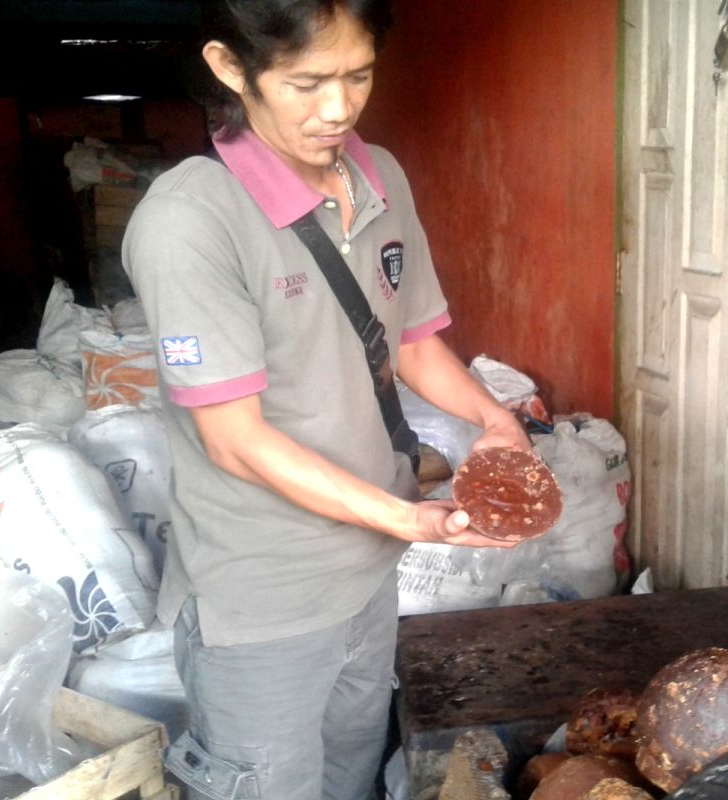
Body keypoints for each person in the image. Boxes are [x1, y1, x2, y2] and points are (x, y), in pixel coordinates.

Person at [121, 1, 531, 798]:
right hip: (264, 597)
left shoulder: (378, 175)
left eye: (358, 75)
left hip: (371, 567)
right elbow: (235, 439)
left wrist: (497, 421)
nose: (338, 109)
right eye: (306, 83)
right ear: (230, 67)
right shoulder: (189, 220)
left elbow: (409, 338)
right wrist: (413, 518)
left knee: (350, 774)